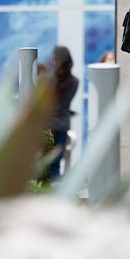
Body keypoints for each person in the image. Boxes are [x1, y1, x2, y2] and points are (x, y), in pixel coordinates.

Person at [49, 45, 79, 180]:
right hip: (63, 125)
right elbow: (64, 104)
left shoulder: (48, 81)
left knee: (47, 165)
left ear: (55, 60)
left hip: (47, 126)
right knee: (56, 164)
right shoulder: (74, 82)